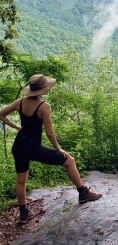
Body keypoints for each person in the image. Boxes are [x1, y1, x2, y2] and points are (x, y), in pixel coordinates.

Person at [0, 74, 102, 224]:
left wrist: (18, 128)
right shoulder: (43, 106)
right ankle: (83, 193)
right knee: (69, 161)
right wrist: (59, 149)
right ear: (43, 90)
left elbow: (1, 114)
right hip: (33, 148)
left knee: (21, 180)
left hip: (19, 146)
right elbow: (49, 132)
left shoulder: (19, 103)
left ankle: (24, 213)